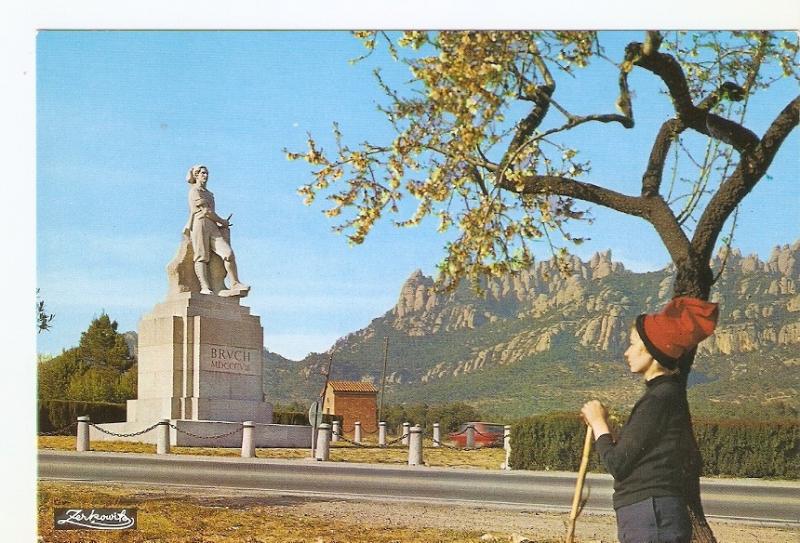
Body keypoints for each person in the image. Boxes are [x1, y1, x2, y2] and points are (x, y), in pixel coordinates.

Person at [581, 296, 718, 543]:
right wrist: (608, 431)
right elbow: (636, 456)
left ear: (652, 350)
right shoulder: (664, 396)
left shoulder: (659, 399)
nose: (627, 352)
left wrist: (598, 422)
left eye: (633, 344)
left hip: (651, 517)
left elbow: (618, 463)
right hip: (649, 515)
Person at [183, 164, 249, 295]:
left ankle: (235, 282)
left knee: (228, 254)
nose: (205, 176)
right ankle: (205, 287)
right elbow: (206, 211)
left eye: (206, 173)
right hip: (200, 223)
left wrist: (220, 224)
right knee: (201, 256)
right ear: (196, 175)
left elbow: (211, 213)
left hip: (212, 225)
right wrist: (222, 221)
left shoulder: (210, 194)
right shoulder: (194, 191)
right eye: (202, 173)